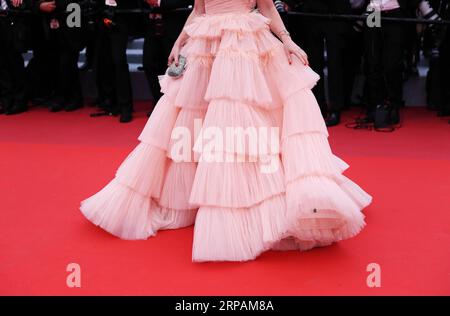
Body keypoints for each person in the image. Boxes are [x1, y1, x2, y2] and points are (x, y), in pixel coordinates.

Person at [80, 0, 372, 262]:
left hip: (244, 45)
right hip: (206, 45)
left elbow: (267, 8)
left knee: (239, 120)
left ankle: (244, 200)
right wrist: (179, 43)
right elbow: (198, 9)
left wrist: (287, 41)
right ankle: (200, 196)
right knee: (194, 121)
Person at [142, 0, 193, 117]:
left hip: (175, 25)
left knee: (175, 68)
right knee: (149, 64)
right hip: (152, 25)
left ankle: (175, 106)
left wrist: (159, 2)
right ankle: (158, 103)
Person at [0, 0, 30, 115]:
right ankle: (6, 101)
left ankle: (20, 100)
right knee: (1, 65)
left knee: (15, 63)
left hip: (12, 22)